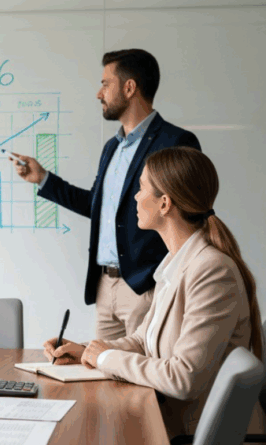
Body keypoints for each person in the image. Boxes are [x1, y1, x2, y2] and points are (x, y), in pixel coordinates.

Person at [42, 147, 266, 445]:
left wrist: (104, 359)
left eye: (141, 188)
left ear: (164, 203)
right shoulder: (176, 264)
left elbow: (184, 378)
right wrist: (86, 350)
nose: (135, 198)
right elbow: (143, 340)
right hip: (172, 433)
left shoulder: (210, 270)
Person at [12, 49, 200, 341]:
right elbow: (96, 206)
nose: (99, 94)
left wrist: (161, 280)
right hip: (104, 286)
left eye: (105, 84)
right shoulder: (111, 148)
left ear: (129, 88)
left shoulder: (175, 142)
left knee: (143, 367)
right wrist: (44, 179)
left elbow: (187, 215)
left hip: (146, 287)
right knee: (99, 366)